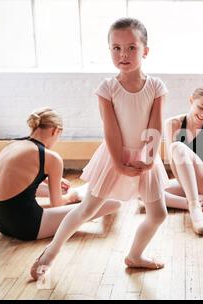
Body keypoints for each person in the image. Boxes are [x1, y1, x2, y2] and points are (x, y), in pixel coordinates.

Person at [30, 17, 169, 281]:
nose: (123, 54)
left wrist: (150, 158)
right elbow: (111, 130)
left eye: (131, 48)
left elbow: (156, 125)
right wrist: (118, 163)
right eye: (116, 48)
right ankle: (50, 252)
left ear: (145, 51)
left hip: (145, 157)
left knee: (158, 213)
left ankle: (135, 255)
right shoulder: (107, 88)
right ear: (110, 51)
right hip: (113, 156)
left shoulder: (156, 86)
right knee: (86, 210)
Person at [0, 107, 120, 241]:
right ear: (56, 130)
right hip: (27, 227)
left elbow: (18, 176)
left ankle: (75, 195)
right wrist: (71, 197)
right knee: (114, 203)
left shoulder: (12, 144)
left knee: (61, 191)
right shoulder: (50, 157)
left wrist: (50, 180)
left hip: (1, 223)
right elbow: (56, 204)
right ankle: (78, 196)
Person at [162, 86, 203, 235]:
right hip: (185, 182)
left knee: (178, 147)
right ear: (191, 100)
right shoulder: (172, 124)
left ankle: (194, 206)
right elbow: (173, 164)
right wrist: (188, 189)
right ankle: (199, 204)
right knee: (147, 195)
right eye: (201, 107)